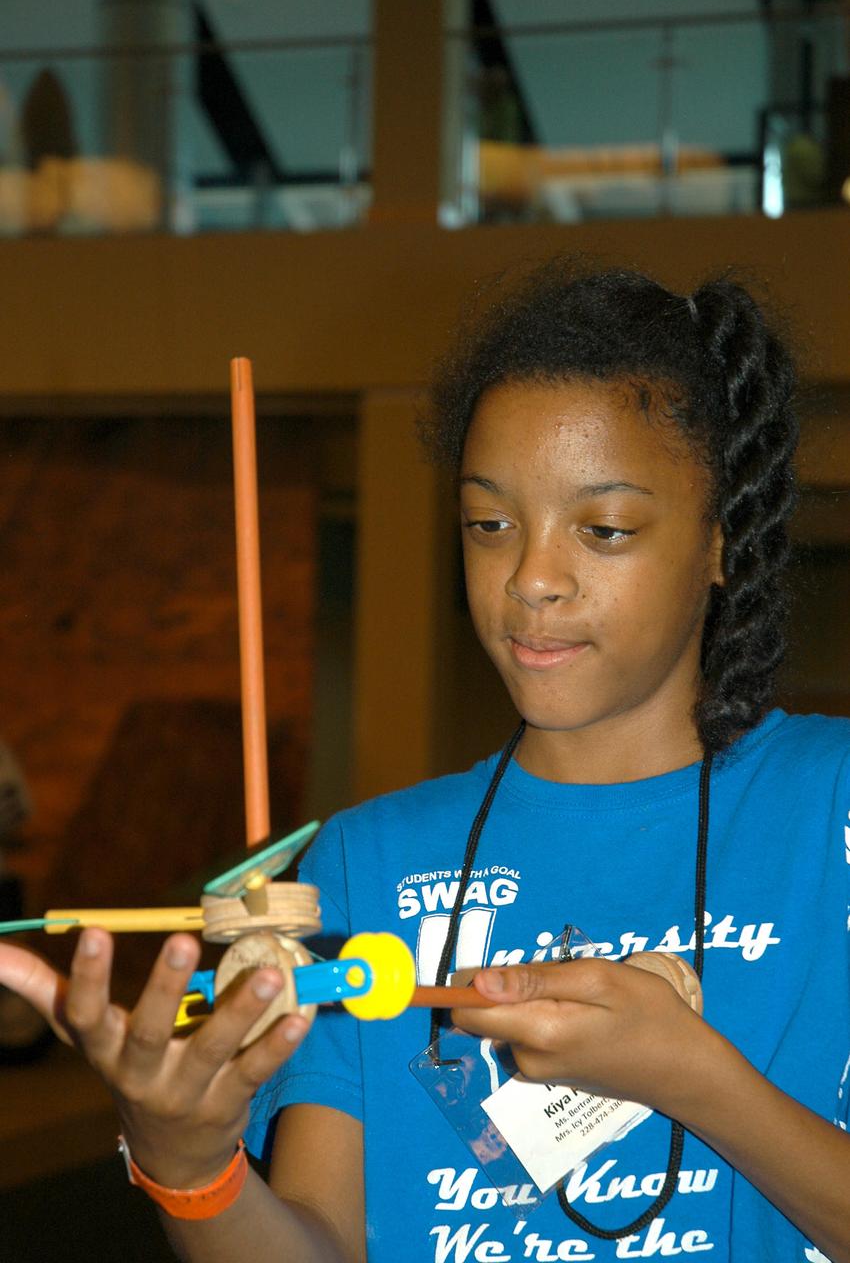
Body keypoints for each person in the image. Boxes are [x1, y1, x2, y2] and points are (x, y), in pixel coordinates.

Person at [1, 261, 848, 1263]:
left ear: (721, 540)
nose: (531, 577)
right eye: (489, 523)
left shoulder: (826, 807)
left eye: (604, 528)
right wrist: (190, 1165)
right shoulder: (367, 860)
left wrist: (692, 1073)